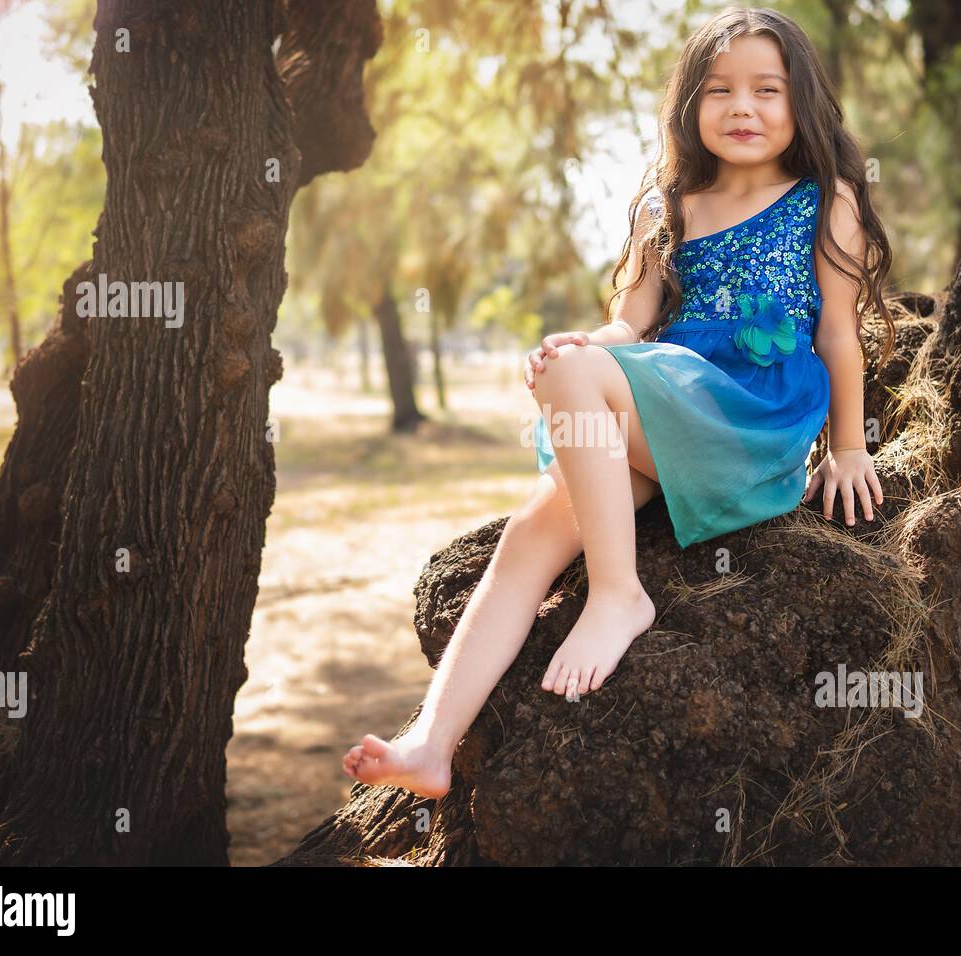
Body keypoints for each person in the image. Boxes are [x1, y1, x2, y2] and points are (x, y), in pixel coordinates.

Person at [343, 6, 895, 798]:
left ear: (800, 101)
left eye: (767, 90)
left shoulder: (823, 198)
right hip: (665, 409)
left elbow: (839, 334)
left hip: (751, 418)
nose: (743, 107)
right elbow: (629, 326)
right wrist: (577, 347)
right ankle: (432, 742)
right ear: (688, 107)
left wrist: (849, 448)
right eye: (719, 91)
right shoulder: (665, 207)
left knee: (572, 385)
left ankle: (617, 593)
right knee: (533, 531)